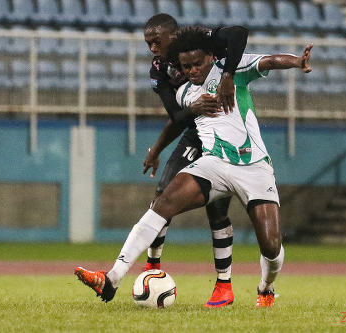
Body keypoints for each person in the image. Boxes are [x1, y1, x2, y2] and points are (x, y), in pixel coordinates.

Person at [75, 27, 312, 307]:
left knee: (271, 246)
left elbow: (269, 60)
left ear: (211, 57)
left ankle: (266, 287)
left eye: (198, 63)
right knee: (162, 203)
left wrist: (296, 62)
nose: (193, 70)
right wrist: (192, 110)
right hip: (213, 164)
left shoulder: (232, 69)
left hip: (253, 167)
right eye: (187, 67)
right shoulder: (185, 94)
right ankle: (111, 278)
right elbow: (180, 116)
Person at [140, 14, 248, 308]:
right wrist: (158, 149)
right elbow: (176, 117)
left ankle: (224, 286)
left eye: (156, 41)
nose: (152, 48)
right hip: (194, 133)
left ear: (172, 37)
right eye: (148, 42)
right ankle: (152, 269)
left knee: (218, 212)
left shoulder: (199, 39)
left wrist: (227, 77)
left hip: (225, 134)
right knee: (162, 195)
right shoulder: (159, 69)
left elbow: (238, 32)